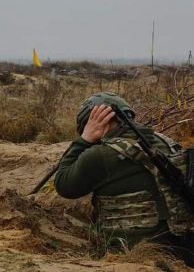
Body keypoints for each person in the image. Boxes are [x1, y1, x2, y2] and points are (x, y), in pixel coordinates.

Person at [54, 92, 194, 265]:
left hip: (135, 255)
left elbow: (63, 184)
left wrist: (84, 140)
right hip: (185, 250)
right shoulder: (166, 142)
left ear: (93, 122)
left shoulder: (100, 156)